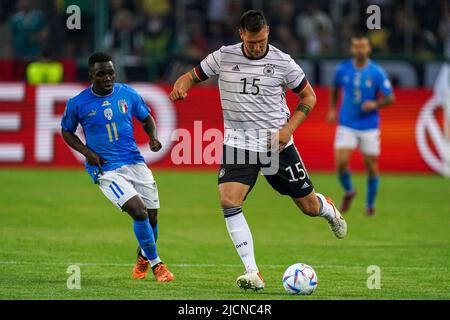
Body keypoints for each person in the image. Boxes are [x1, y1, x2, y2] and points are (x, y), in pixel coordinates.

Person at [169, 10, 347, 291]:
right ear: (241, 34)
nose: (257, 47)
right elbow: (193, 75)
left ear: (268, 34)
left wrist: (289, 129)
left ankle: (328, 210)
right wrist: (184, 82)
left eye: (262, 41)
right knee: (229, 200)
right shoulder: (223, 56)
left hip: (276, 144)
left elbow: (309, 97)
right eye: (252, 42)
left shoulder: (283, 62)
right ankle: (253, 272)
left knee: (308, 207)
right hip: (238, 144)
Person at [60, 52, 174, 282]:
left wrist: (152, 137)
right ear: (91, 75)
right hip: (106, 169)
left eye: (110, 72)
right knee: (139, 211)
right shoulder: (78, 103)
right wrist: (86, 152)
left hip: (134, 162)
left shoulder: (128, 94)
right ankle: (157, 265)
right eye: (101, 74)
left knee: (152, 218)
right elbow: (66, 131)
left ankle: (143, 257)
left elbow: (146, 118)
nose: (107, 77)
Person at [328, 35, 395, 216]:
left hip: (369, 126)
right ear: (352, 49)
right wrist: (332, 109)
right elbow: (335, 89)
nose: (359, 50)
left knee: (371, 165)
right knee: (341, 162)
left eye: (363, 46)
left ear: (368, 49)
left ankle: (370, 204)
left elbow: (390, 98)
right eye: (356, 46)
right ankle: (350, 190)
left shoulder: (376, 72)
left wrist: (375, 104)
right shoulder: (343, 69)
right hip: (347, 123)